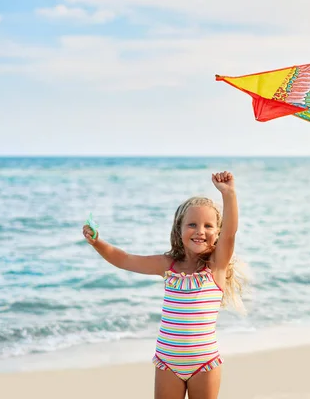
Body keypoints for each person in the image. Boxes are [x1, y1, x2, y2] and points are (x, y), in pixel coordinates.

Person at [82, 171, 246, 399]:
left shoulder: (216, 266)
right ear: (179, 230)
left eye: (208, 226)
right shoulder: (168, 265)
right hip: (167, 362)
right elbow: (125, 259)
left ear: (217, 233)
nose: (200, 231)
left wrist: (229, 194)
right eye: (192, 224)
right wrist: (97, 242)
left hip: (204, 363)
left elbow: (231, 233)